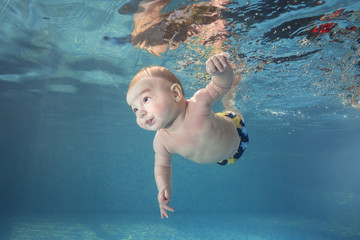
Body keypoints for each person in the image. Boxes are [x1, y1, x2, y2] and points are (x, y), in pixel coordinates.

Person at [126, 52, 249, 218]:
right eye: (135, 109)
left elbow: (221, 86)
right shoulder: (161, 140)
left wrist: (221, 73)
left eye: (146, 99)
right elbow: (162, 166)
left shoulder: (198, 104)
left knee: (230, 106)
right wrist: (163, 187)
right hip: (225, 159)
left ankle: (230, 101)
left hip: (238, 132)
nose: (140, 113)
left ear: (176, 93)